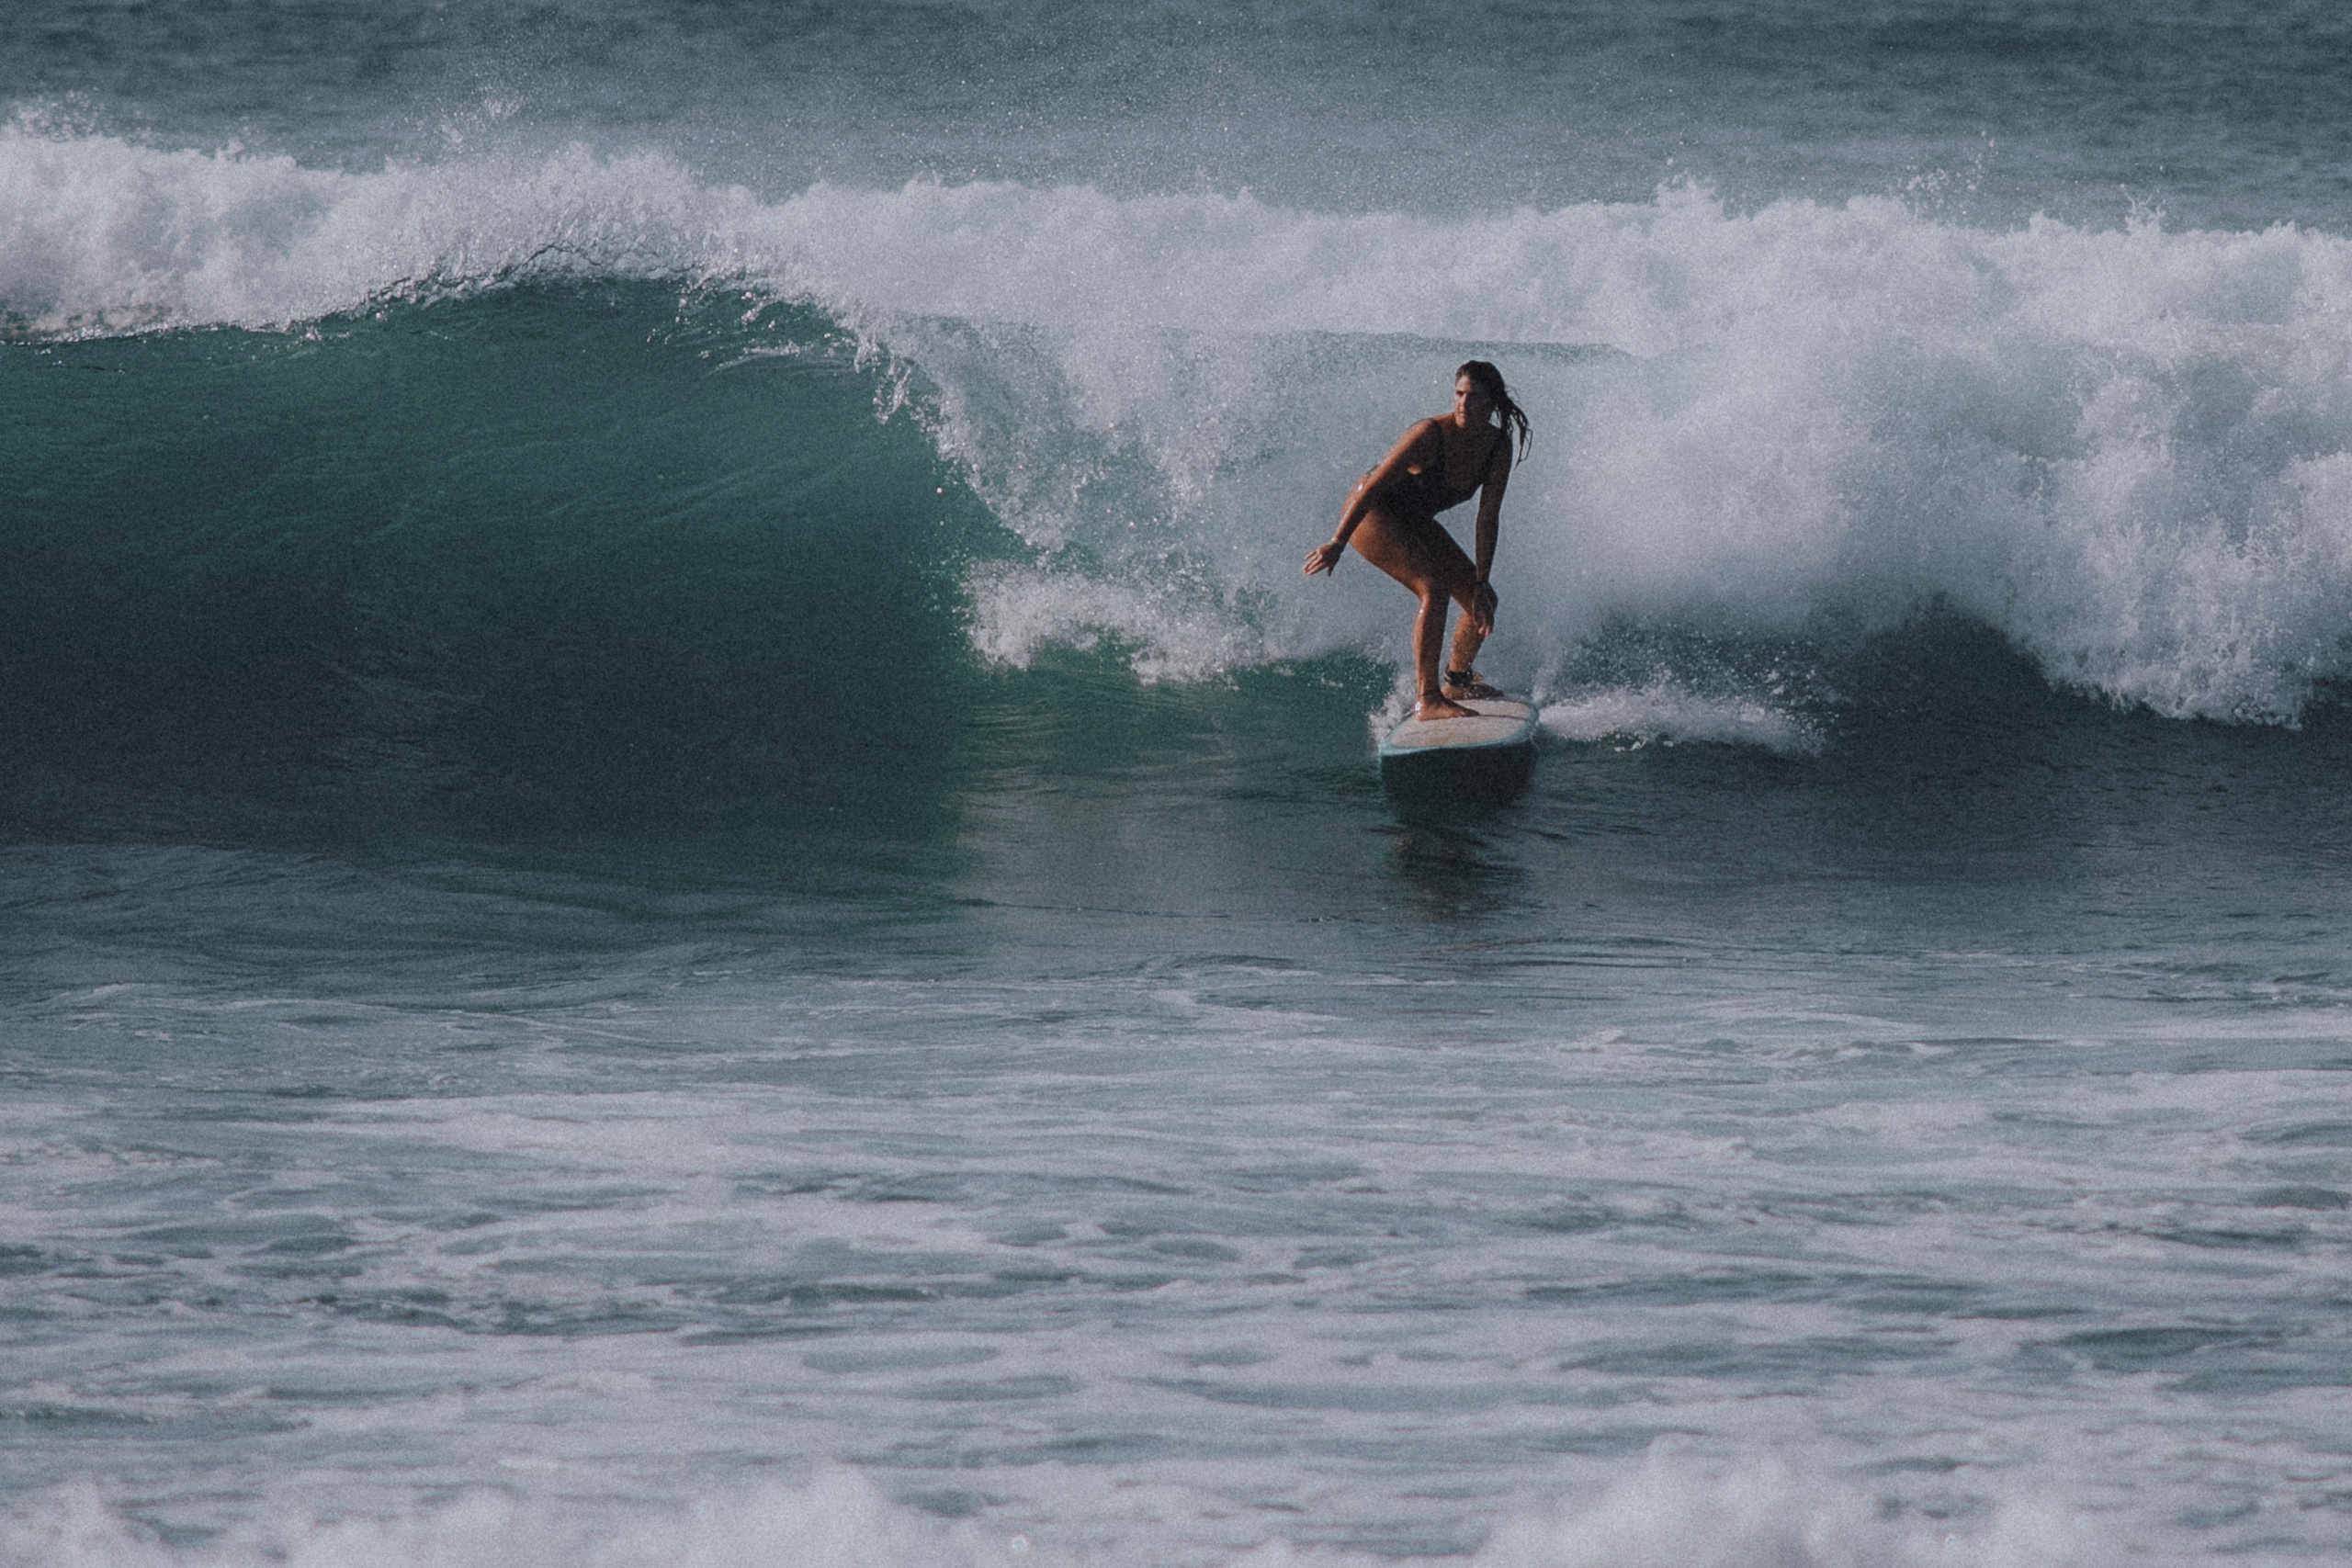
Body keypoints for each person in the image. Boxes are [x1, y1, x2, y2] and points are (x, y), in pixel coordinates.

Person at [1303, 361, 1532, 720]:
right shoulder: (1429, 434)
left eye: (1473, 397)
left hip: (1413, 520)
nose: (1462, 404)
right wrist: (1338, 541)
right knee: (1433, 588)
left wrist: (1481, 581)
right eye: (1458, 394)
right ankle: (1428, 700)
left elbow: (1488, 517)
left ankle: (1456, 680)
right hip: (1373, 513)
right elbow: (1373, 485)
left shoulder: (1496, 447)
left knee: (1480, 599)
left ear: (1492, 403)